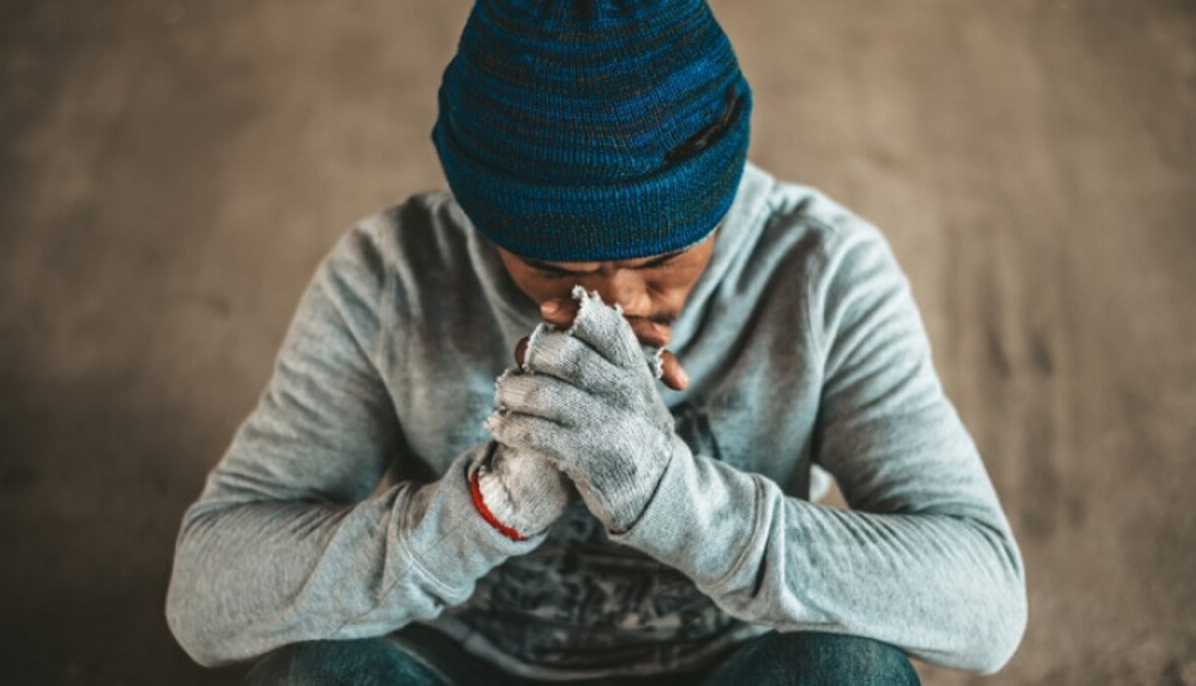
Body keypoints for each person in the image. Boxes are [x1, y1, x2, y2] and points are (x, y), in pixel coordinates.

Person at [165, 1, 1027, 684]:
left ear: (719, 198)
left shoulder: (822, 270)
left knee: (849, 672)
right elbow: (205, 596)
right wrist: (480, 511)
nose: (610, 307)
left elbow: (985, 606)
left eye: (661, 259)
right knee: (323, 672)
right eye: (550, 266)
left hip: (729, 667)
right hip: (463, 666)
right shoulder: (391, 275)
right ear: (482, 220)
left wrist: (673, 498)